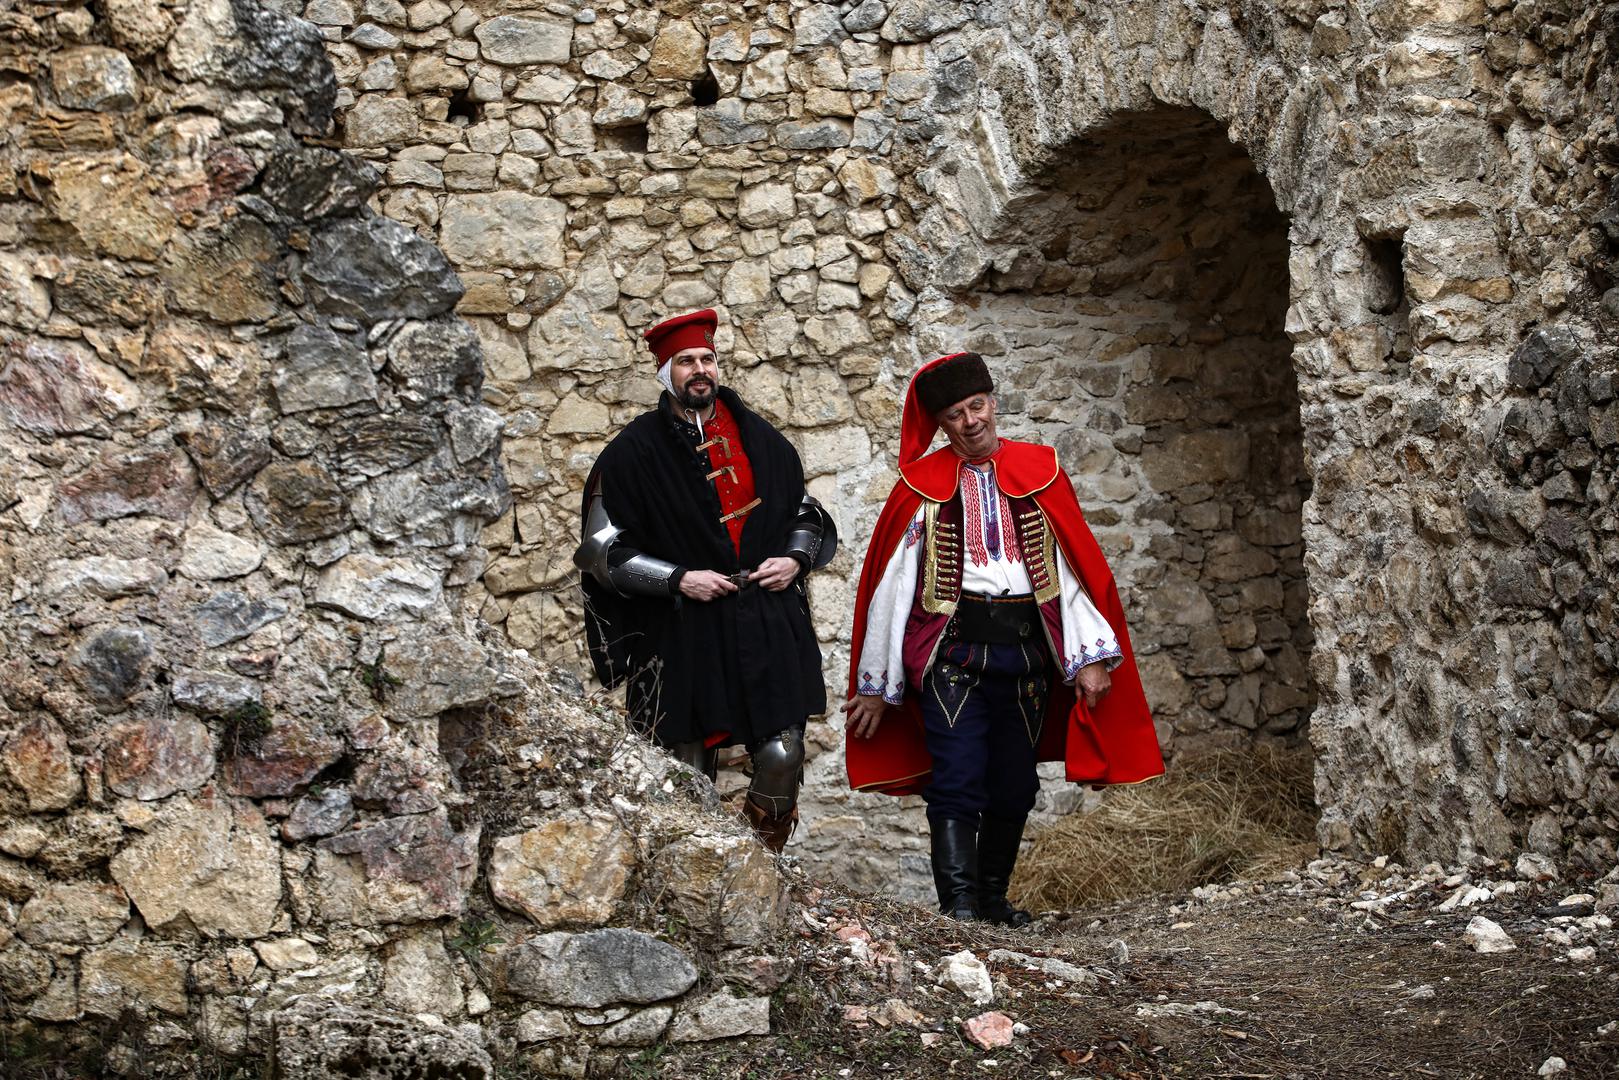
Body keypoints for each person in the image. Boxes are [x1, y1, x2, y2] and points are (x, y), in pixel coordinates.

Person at [841, 352, 1163, 924]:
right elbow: (890, 589)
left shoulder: (1042, 471)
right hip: (953, 654)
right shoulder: (921, 487)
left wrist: (1089, 656)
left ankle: (991, 902)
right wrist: (874, 682)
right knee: (958, 779)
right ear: (940, 425)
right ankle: (959, 910)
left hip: (1028, 656)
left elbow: (1073, 571)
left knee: (1014, 788)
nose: (970, 422)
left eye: (976, 406)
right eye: (954, 415)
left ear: (992, 402)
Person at [574, 309, 836, 851]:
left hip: (764, 615)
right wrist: (678, 579)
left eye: (707, 359)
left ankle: (760, 873)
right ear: (664, 372)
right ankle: (692, 876)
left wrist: (794, 560)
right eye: (687, 361)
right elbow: (601, 552)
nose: (700, 370)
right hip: (680, 629)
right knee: (683, 771)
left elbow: (806, 515)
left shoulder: (762, 440)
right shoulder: (629, 455)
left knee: (782, 755)